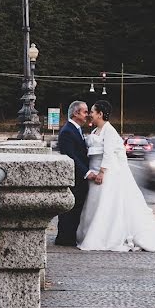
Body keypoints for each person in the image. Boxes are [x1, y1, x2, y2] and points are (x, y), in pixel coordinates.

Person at [77, 100, 155, 252]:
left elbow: (109, 154)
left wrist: (102, 172)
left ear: (100, 114)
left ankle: (105, 236)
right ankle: (92, 233)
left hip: (104, 175)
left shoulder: (109, 131)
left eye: (92, 111)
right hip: (94, 172)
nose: (90, 114)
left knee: (106, 206)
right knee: (95, 205)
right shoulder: (94, 131)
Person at [56, 101, 97, 246]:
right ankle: (64, 239)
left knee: (76, 207)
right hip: (74, 177)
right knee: (71, 208)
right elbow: (71, 157)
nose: (88, 115)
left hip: (78, 178)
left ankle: (69, 236)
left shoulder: (75, 129)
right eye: (85, 112)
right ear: (76, 113)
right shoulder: (67, 131)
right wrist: (86, 173)